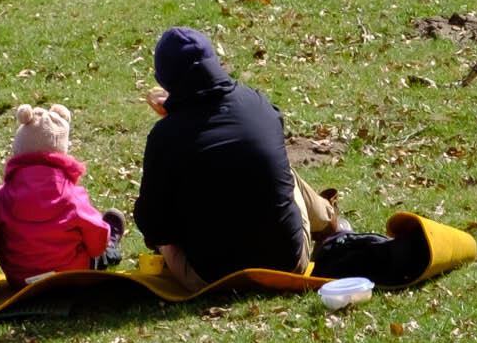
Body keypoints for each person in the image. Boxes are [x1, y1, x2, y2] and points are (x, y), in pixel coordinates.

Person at [133, 26, 344, 289]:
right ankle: (330, 223)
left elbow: (155, 228)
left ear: (165, 79)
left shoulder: (164, 136)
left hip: (210, 278)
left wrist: (173, 118)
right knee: (278, 170)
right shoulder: (259, 105)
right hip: (288, 263)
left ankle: (328, 221)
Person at [0, 103, 124, 287]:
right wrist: (101, 246)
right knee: (101, 244)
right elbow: (96, 240)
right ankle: (111, 249)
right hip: (70, 275)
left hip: (19, 279)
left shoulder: (3, 195)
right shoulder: (71, 195)